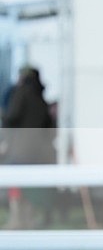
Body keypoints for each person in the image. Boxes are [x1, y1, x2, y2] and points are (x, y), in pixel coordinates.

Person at [1, 66, 56, 229]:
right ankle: (29, 220)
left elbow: (12, 117)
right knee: (31, 186)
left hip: (20, 149)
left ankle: (16, 220)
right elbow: (49, 126)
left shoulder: (21, 93)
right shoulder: (41, 98)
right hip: (38, 151)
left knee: (15, 184)